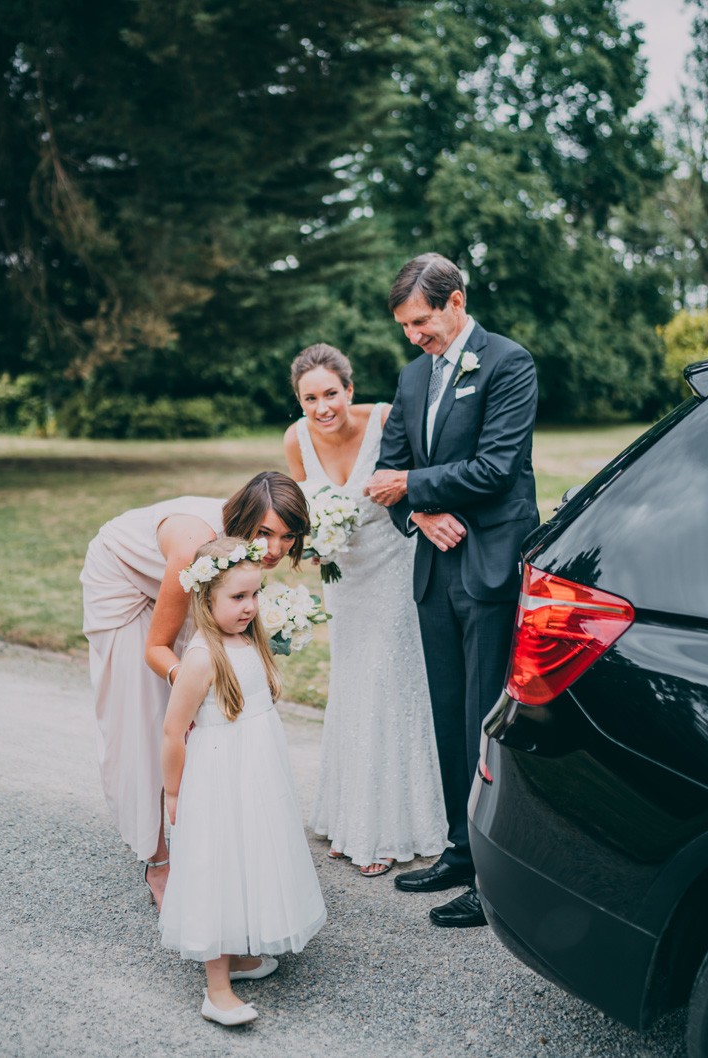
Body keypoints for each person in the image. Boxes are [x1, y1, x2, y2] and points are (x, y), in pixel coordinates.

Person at [365, 253, 538, 928]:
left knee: (483, 721)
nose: (414, 336)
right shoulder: (412, 377)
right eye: (405, 326)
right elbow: (389, 470)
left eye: (421, 321)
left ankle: (494, 879)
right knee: (446, 714)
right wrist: (416, 511)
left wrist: (412, 487)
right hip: (435, 570)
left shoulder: (508, 363)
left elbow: (496, 468)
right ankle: (459, 850)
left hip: (490, 564)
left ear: (456, 302)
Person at [80, 472, 310, 909]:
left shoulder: (248, 551)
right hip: (124, 583)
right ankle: (159, 860)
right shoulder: (194, 546)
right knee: (148, 717)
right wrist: (190, 682)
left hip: (182, 584)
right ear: (243, 520)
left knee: (202, 722)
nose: (276, 549)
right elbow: (157, 648)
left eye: (288, 536)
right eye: (264, 533)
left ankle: (205, 839)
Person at [284, 343, 445, 876]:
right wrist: (307, 545)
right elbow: (298, 514)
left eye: (331, 393)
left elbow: (421, 481)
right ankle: (349, 814)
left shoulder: (385, 419)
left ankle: (385, 832)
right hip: (345, 581)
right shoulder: (296, 438)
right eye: (310, 398)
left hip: (396, 569)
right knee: (352, 686)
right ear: (299, 401)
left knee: (390, 685)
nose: (322, 407)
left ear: (350, 390)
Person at [158, 536, 326, 1025]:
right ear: (205, 598)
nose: (251, 606)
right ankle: (216, 988)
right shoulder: (201, 659)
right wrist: (173, 791)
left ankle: (245, 955)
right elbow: (173, 731)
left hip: (256, 772)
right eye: (237, 597)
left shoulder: (248, 641)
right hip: (216, 776)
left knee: (253, 853)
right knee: (220, 863)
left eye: (255, 594)